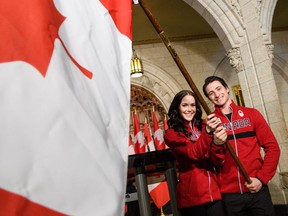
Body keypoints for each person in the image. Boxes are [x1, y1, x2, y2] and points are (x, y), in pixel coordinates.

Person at [202, 76, 280, 216]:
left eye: (219, 89)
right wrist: (216, 144)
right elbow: (213, 161)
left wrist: (261, 178)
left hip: (257, 189)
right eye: (211, 93)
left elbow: (273, 148)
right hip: (229, 195)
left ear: (226, 88)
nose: (216, 94)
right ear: (209, 98)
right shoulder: (209, 124)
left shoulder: (252, 114)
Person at [164, 90, 227, 216]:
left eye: (193, 105)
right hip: (192, 198)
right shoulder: (172, 133)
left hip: (214, 193)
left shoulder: (204, 125)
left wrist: (218, 144)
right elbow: (194, 153)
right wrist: (208, 133)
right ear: (177, 107)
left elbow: (217, 160)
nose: (189, 109)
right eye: (185, 105)